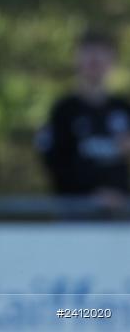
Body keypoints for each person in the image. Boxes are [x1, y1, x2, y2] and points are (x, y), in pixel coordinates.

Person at [37, 31, 130, 216]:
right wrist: (89, 195)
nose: (94, 61)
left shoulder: (123, 109)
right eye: (88, 54)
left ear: (111, 61)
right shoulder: (64, 110)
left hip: (120, 213)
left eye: (101, 55)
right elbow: (54, 162)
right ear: (77, 60)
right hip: (76, 213)